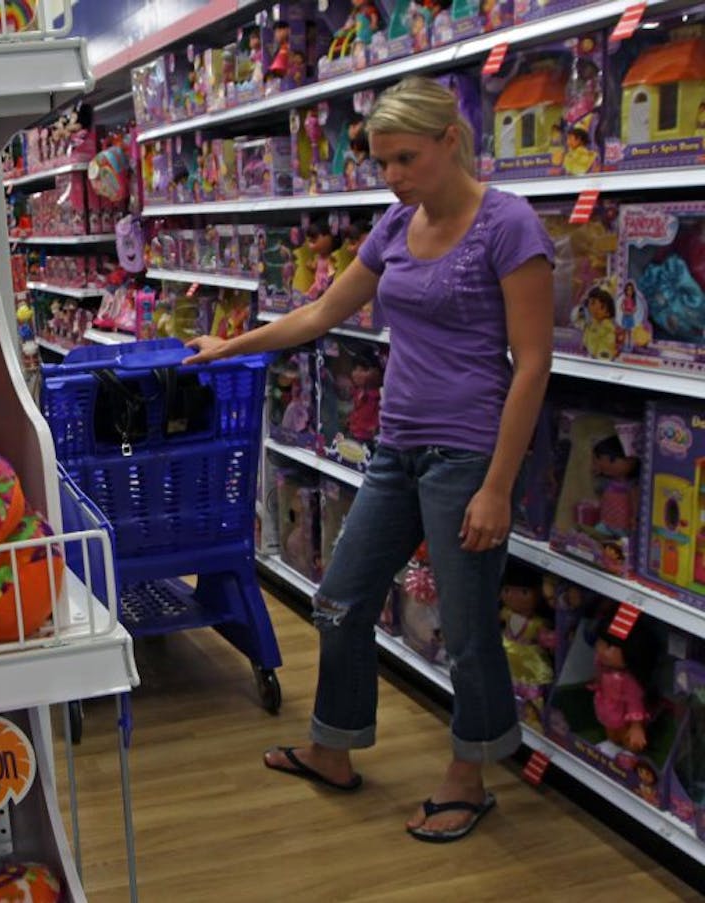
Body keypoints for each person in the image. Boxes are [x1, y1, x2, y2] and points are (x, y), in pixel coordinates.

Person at [183, 76, 554, 843]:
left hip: (468, 456)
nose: (392, 177)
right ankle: (335, 747)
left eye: (405, 159)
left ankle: (468, 773)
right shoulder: (394, 227)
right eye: (382, 162)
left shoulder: (508, 227)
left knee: (467, 623)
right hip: (396, 450)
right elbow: (321, 312)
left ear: (451, 141)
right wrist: (230, 347)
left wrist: (497, 486)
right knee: (341, 597)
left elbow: (533, 364)